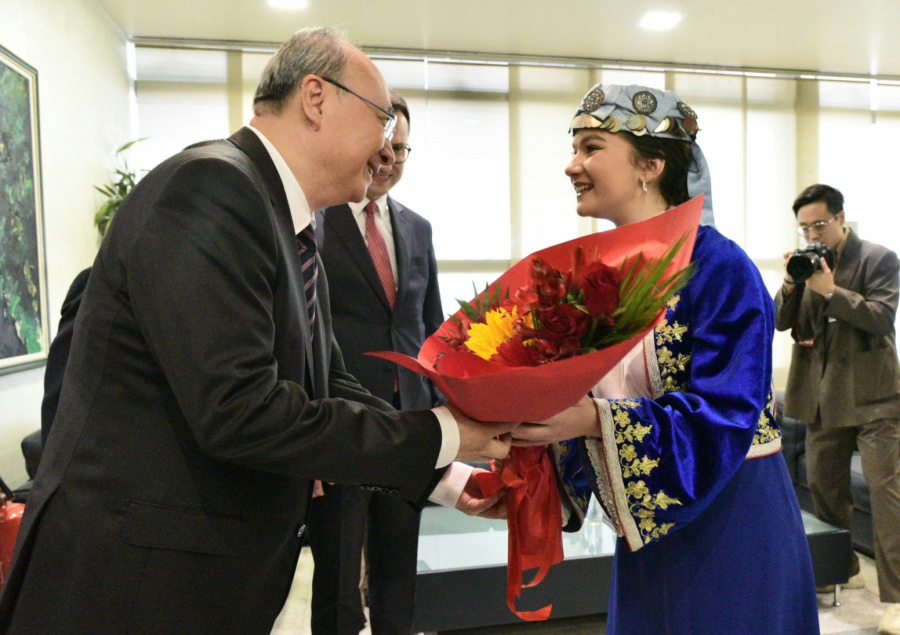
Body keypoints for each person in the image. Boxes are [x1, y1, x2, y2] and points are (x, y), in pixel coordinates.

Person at [0, 27, 511, 635]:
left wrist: (448, 474)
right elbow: (241, 409)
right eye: (380, 122)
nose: (386, 150)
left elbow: (327, 383)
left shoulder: (291, 224)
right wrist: (445, 431)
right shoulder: (211, 188)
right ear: (316, 99)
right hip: (132, 587)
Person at [510, 84, 819, 634]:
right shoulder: (602, 274)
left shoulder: (720, 268)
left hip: (731, 516)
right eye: (574, 148)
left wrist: (591, 419)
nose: (571, 165)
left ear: (650, 166)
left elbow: (726, 414)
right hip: (647, 516)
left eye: (591, 148)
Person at [307, 90, 440, 634]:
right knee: (338, 578)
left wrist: (444, 415)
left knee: (397, 573)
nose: (389, 160)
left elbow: (432, 328)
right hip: (342, 426)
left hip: (407, 426)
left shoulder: (418, 228)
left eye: (401, 150)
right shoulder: (315, 221)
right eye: (382, 147)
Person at [775, 183, 900, 634]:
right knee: (823, 486)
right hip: (821, 394)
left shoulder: (878, 259)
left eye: (819, 225)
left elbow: (881, 318)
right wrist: (791, 283)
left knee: (887, 496)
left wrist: (831, 292)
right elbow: (779, 321)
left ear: (841, 219)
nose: (812, 234)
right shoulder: (805, 263)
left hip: (874, 395)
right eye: (805, 227)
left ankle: (898, 598)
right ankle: (838, 571)